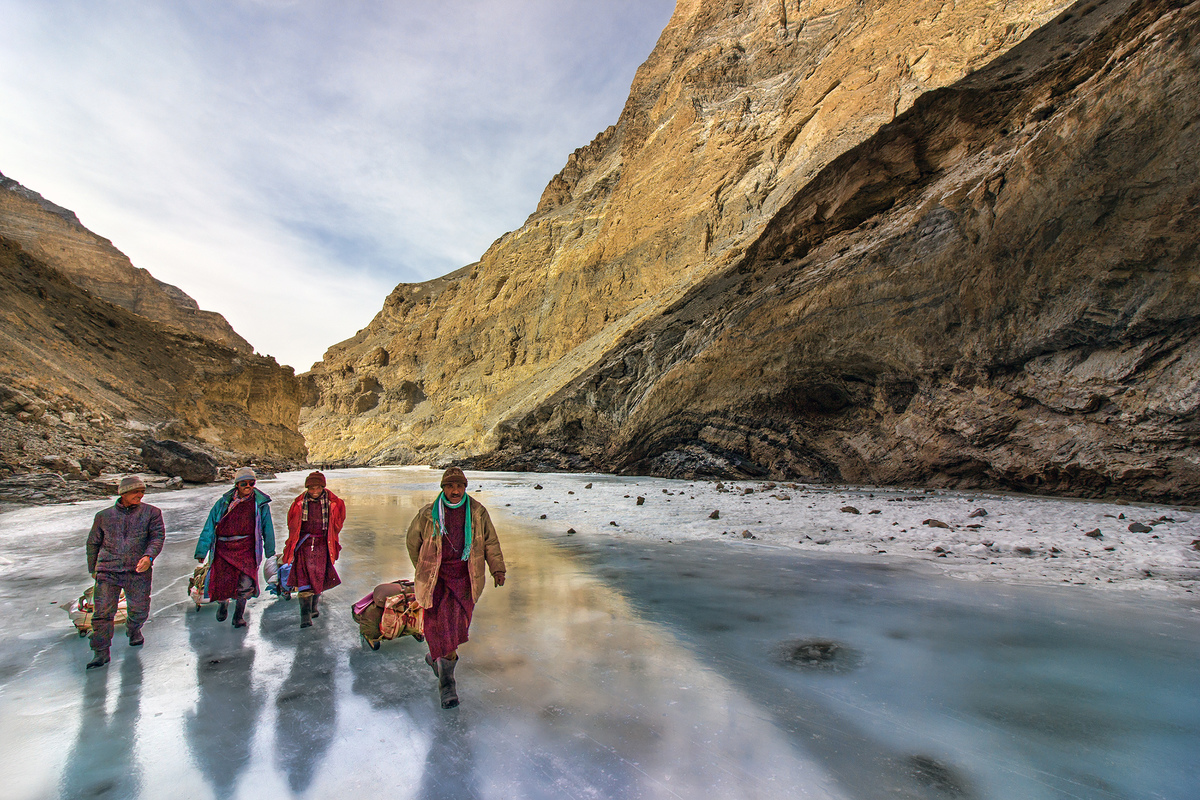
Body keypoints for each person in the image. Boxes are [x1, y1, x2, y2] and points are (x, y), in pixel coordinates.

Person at [406, 466, 506, 708]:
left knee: (456, 626)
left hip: (464, 578)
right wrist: (424, 568)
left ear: (465, 488)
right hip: (437, 580)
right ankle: (447, 684)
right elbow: (413, 542)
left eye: (459, 486)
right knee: (438, 625)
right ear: (443, 488)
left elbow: (490, 541)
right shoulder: (428, 514)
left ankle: (436, 659)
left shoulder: (477, 512)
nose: (455, 490)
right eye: (450, 486)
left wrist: (497, 568)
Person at [85, 474, 165, 669]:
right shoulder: (103, 516)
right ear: (123, 493)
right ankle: (101, 652)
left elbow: (157, 537)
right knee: (102, 613)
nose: (140, 495)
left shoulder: (152, 513)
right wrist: (93, 568)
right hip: (108, 570)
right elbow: (93, 543)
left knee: (139, 609)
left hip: (138, 570)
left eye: (142, 491)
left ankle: (134, 628)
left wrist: (149, 557)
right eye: (136, 491)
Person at [195, 467, 275, 628]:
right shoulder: (224, 502)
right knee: (223, 582)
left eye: (251, 483)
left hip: (247, 548)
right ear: (237, 485)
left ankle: (238, 616)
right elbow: (210, 525)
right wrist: (202, 550)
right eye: (244, 483)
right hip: (223, 549)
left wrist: (270, 550)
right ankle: (223, 604)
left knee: (245, 583)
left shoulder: (260, 504)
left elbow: (268, 527)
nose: (248, 486)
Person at [282, 471, 345, 628]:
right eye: (311, 488)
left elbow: (338, 522)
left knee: (318, 579)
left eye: (317, 487)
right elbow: (292, 525)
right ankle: (305, 616)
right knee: (303, 580)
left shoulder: (334, 503)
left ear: (323, 487)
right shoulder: (298, 503)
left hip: (323, 545)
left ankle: (313, 607)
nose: (314, 491)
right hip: (304, 546)